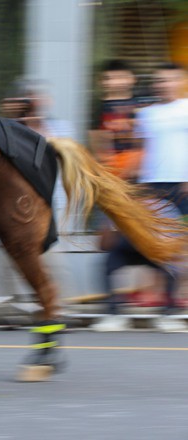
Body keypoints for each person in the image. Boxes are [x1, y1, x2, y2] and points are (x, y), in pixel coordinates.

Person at [91, 200, 186, 332]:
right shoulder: (117, 205)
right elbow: (102, 246)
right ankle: (113, 315)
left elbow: (175, 240)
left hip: (151, 247)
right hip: (125, 248)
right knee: (106, 265)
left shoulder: (163, 207)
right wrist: (109, 224)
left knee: (170, 268)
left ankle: (168, 316)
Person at [135, 62, 188, 217]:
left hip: (182, 183)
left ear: (181, 81)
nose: (165, 85)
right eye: (160, 80)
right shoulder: (145, 113)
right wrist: (141, 182)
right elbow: (141, 149)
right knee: (157, 236)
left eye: (171, 80)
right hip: (153, 184)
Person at [90, 60, 143, 181]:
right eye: (110, 78)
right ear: (102, 81)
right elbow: (97, 142)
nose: (116, 82)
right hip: (110, 172)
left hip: (138, 171)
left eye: (121, 77)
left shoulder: (140, 106)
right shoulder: (99, 107)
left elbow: (143, 140)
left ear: (132, 79)